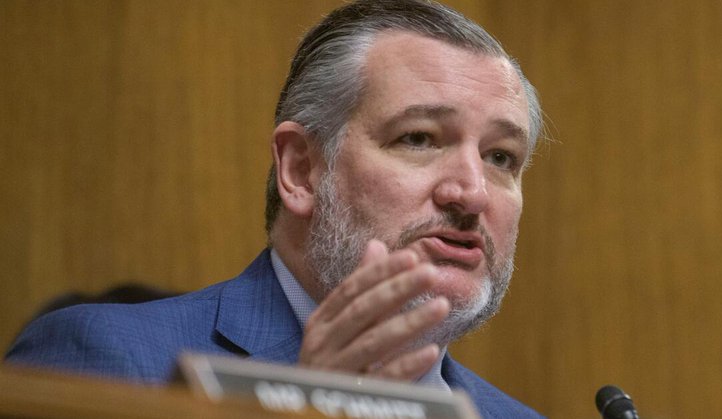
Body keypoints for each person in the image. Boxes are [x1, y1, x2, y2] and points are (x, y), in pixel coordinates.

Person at [6, 1, 545, 417]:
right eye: (419, 138)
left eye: (501, 157)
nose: (472, 193)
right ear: (301, 171)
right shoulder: (107, 360)